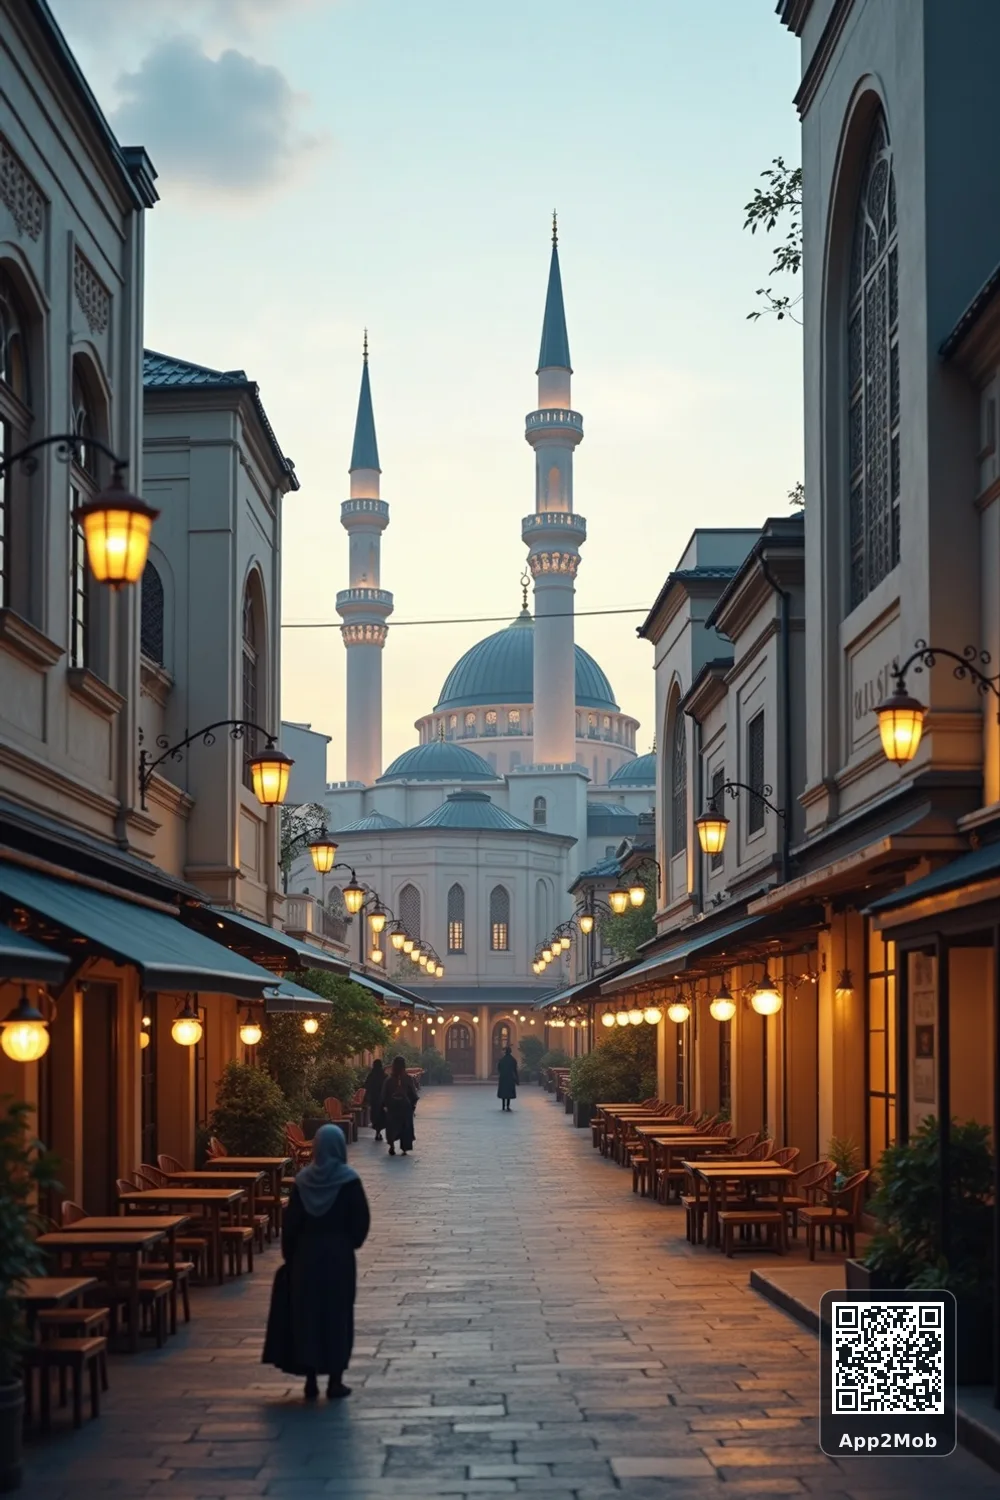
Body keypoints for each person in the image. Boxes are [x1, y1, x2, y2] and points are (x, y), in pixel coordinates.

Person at [262, 1123, 370, 1401]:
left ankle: (310, 1378)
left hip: (306, 1258)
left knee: (307, 1316)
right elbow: (360, 1222)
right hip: (338, 1258)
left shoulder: (302, 1181)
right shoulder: (349, 1181)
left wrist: (291, 1256)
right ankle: (335, 1379)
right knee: (337, 1316)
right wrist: (348, 1243)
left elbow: (292, 1224)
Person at [382, 1055, 418, 1156]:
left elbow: (384, 1094)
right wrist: (412, 1105)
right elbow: (413, 1094)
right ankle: (404, 1148)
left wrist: (386, 1105)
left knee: (392, 1126)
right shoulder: (407, 1078)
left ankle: (391, 1145)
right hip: (405, 1107)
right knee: (405, 1127)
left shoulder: (389, 1080)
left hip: (393, 1107)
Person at [362, 1057, 386, 1140]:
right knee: (381, 1116)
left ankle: (377, 1132)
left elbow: (366, 1085)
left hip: (374, 1099)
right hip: (382, 1100)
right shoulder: (384, 1075)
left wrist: (366, 1097)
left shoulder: (371, 1075)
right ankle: (379, 1132)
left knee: (374, 1115)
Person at [496, 1044, 519, 1111]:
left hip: (503, 1078)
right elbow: (515, 1070)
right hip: (510, 1078)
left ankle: (503, 1106)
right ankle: (508, 1106)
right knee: (508, 1093)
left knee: (503, 1093)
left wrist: (501, 1073)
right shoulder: (513, 1060)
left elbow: (499, 1068)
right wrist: (517, 1079)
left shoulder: (502, 1060)